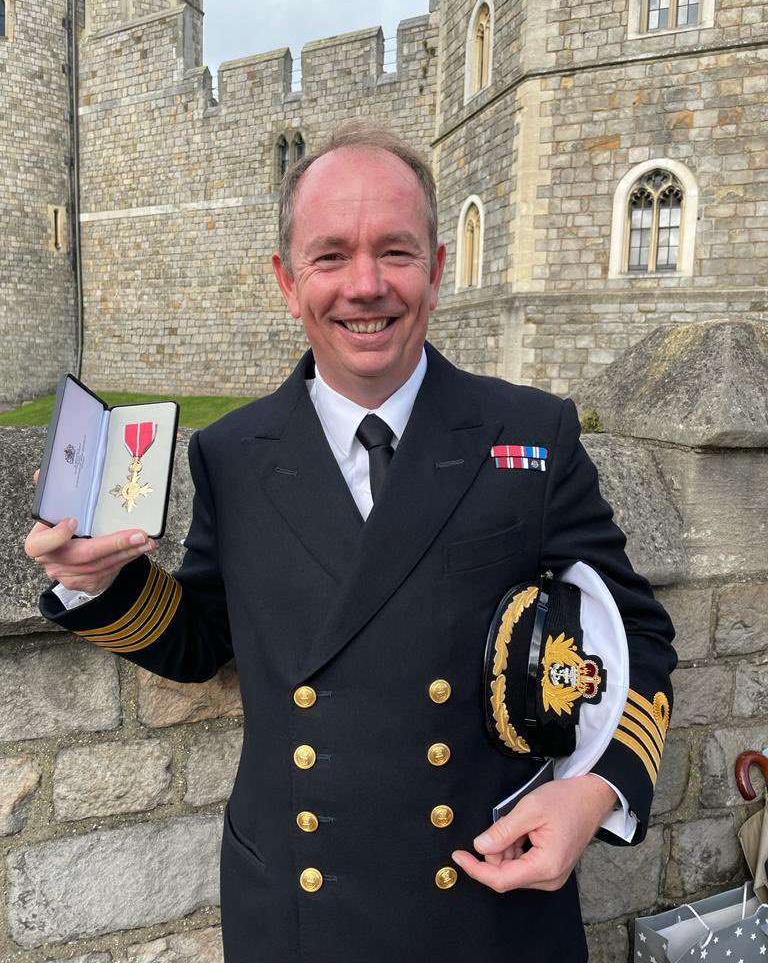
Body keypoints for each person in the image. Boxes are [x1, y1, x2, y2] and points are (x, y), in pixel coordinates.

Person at [25, 122, 676, 962]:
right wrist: (99, 584)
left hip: (487, 899)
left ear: (437, 269)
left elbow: (637, 633)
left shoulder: (531, 434)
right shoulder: (231, 453)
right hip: (297, 907)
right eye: (330, 256)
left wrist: (595, 791)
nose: (365, 286)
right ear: (287, 281)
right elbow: (205, 641)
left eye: (395, 252)